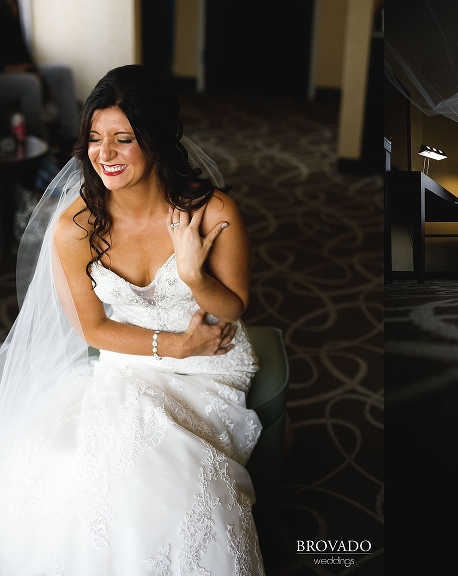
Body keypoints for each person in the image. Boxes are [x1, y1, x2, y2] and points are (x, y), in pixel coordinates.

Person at [0, 64, 266, 574]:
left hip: (211, 361)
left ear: (158, 138)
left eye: (124, 139)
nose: (105, 154)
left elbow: (234, 305)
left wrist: (193, 275)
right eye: (96, 139)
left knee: (175, 478)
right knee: (60, 462)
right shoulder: (76, 228)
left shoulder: (212, 211)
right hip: (129, 358)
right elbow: (94, 330)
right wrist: (173, 345)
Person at [0, 0, 80, 159]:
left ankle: (73, 140)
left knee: (63, 73)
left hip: (20, 68)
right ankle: (43, 151)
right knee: (31, 84)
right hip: (4, 72)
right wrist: (9, 69)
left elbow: (19, 45)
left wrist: (33, 69)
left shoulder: (13, 5)